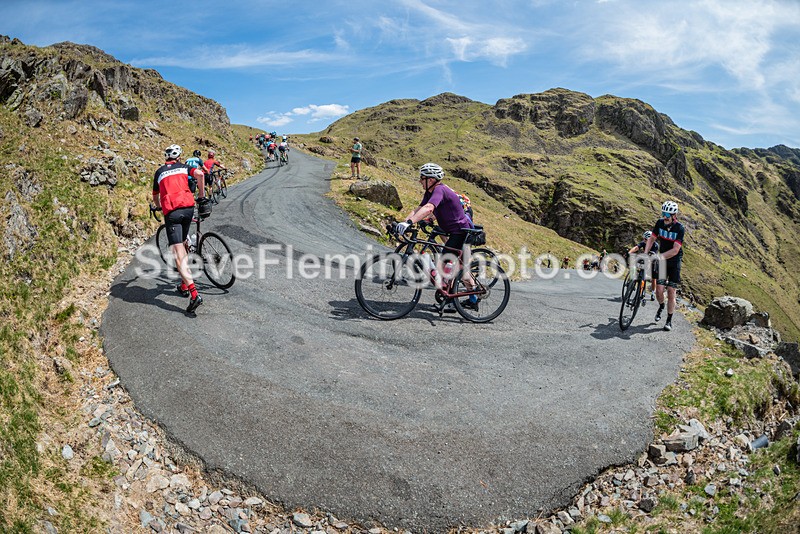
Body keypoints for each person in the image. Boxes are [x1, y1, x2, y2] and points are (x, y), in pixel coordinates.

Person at [395, 163, 477, 311]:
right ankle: (470, 298)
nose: (420, 181)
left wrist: (409, 222)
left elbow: (429, 208)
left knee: (448, 265)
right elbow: (419, 208)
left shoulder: (440, 189)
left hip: (461, 231)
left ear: (431, 179)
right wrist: (404, 222)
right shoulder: (430, 192)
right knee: (454, 267)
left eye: (422, 178)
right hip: (452, 231)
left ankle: (455, 299)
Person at [152, 144, 206, 314]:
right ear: (179, 158)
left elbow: (155, 195)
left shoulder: (159, 172)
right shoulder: (184, 167)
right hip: (189, 207)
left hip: (172, 212)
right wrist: (202, 196)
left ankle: (194, 294)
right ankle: (183, 284)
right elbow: (200, 173)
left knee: (178, 255)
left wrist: (159, 207)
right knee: (183, 241)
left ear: (165, 158)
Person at [644, 200, 685, 331]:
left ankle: (669, 320)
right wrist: (645, 254)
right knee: (659, 291)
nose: (665, 216)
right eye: (663, 213)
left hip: (674, 261)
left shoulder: (680, 228)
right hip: (663, 261)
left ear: (674, 215)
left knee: (671, 292)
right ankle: (661, 305)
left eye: (667, 214)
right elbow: (651, 239)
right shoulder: (660, 223)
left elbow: (675, 250)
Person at [628, 230, 660, 300]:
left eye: (646, 239)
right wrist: (629, 252)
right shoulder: (643, 242)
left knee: (653, 277)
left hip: (653, 260)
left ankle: (652, 293)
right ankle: (633, 280)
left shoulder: (655, 245)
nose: (644, 240)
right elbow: (636, 247)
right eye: (644, 238)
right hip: (645, 257)